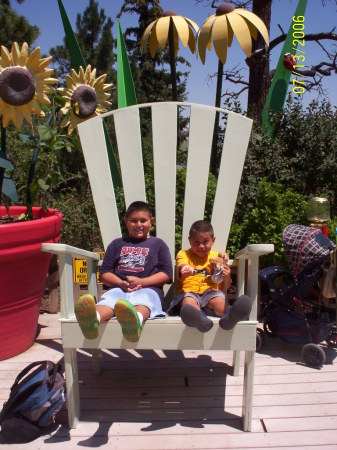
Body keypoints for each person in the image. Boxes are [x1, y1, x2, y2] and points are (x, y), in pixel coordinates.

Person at [75, 201, 173, 342]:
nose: (138, 225)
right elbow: (105, 273)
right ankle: (93, 320)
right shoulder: (116, 244)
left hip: (148, 289)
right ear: (126, 221)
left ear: (151, 222)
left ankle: (135, 322)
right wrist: (120, 283)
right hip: (119, 288)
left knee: (145, 301)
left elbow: (166, 274)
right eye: (133, 221)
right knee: (109, 300)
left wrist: (142, 282)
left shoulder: (158, 244)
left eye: (143, 221)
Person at [168, 220, 252, 332]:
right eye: (196, 242)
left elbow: (225, 287)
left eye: (205, 242)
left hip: (211, 292)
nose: (201, 246)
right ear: (189, 240)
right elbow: (182, 264)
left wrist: (226, 276)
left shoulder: (217, 258)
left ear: (213, 241)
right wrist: (184, 269)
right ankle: (200, 320)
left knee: (219, 301)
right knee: (188, 302)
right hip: (189, 292)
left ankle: (229, 317)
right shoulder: (184, 254)